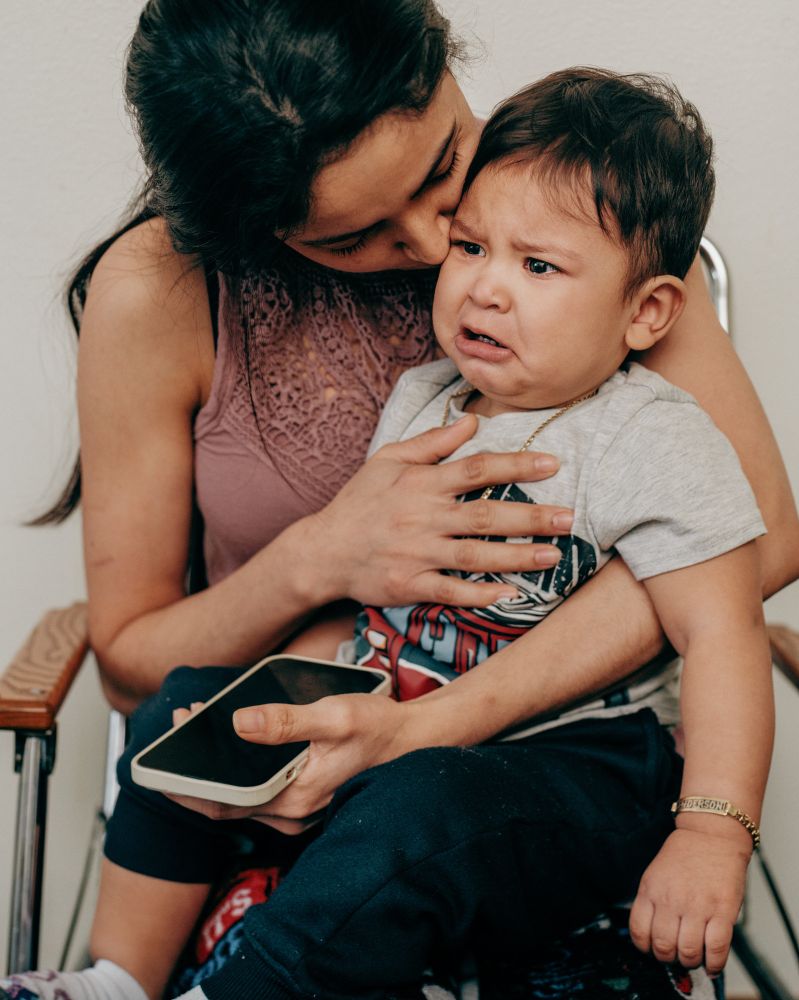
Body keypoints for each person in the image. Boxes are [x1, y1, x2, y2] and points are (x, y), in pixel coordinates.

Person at [3, 0, 797, 997]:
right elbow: (347, 615)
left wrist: (711, 827)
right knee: (194, 710)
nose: (437, 246)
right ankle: (118, 978)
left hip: (545, 763)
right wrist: (317, 593)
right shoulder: (427, 392)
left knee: (420, 811)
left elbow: (747, 562)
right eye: (353, 237)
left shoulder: (570, 205)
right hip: (369, 753)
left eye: (439, 171)